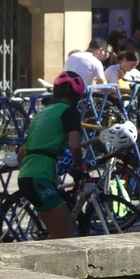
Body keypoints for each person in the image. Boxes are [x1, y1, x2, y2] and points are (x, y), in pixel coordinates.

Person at [16, 71, 85, 240]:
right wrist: (78, 166)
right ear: (77, 95)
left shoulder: (42, 113)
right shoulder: (69, 112)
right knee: (61, 234)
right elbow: (75, 145)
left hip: (29, 175)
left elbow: (21, 153)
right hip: (40, 178)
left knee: (69, 227)